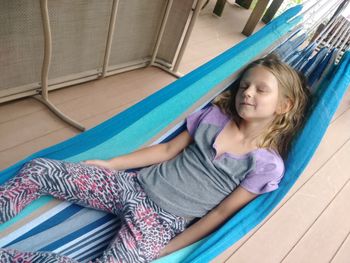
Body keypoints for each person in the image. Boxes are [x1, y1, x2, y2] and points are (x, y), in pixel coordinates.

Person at [0, 54, 310, 263]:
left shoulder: (266, 165)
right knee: (39, 169)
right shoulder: (214, 117)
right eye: (244, 85)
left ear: (284, 105)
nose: (248, 93)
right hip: (131, 186)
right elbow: (165, 150)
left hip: (162, 223)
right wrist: (111, 165)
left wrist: (171, 249)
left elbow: (219, 214)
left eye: (261, 89)